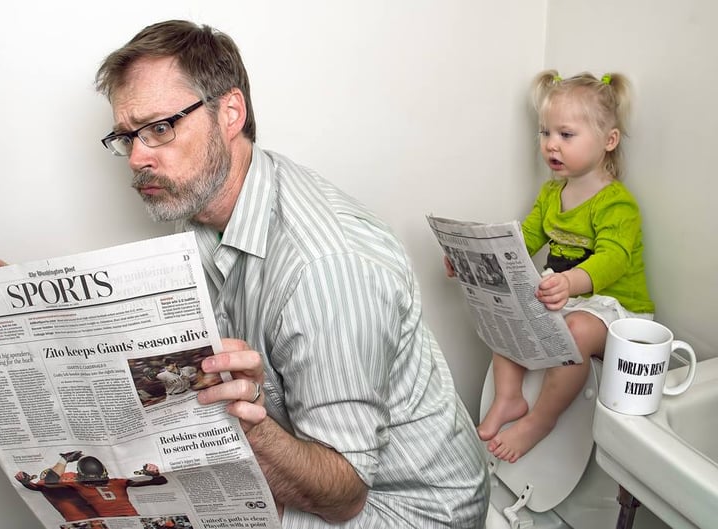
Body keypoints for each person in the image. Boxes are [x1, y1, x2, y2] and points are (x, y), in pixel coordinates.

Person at [95, 19, 489, 528]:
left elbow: (344, 495)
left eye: (160, 128)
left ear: (230, 113)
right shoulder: (197, 206)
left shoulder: (325, 267)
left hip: (408, 507)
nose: (137, 158)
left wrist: (251, 425)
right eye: (126, 137)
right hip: (328, 469)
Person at [446, 70, 655, 464]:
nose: (551, 145)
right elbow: (522, 242)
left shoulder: (616, 203)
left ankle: (541, 420)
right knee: (506, 309)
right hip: (568, 295)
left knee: (574, 333)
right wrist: (472, 261)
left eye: (566, 135)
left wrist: (570, 282)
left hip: (614, 311)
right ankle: (509, 399)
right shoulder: (551, 193)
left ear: (608, 141)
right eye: (545, 134)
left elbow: (613, 259)